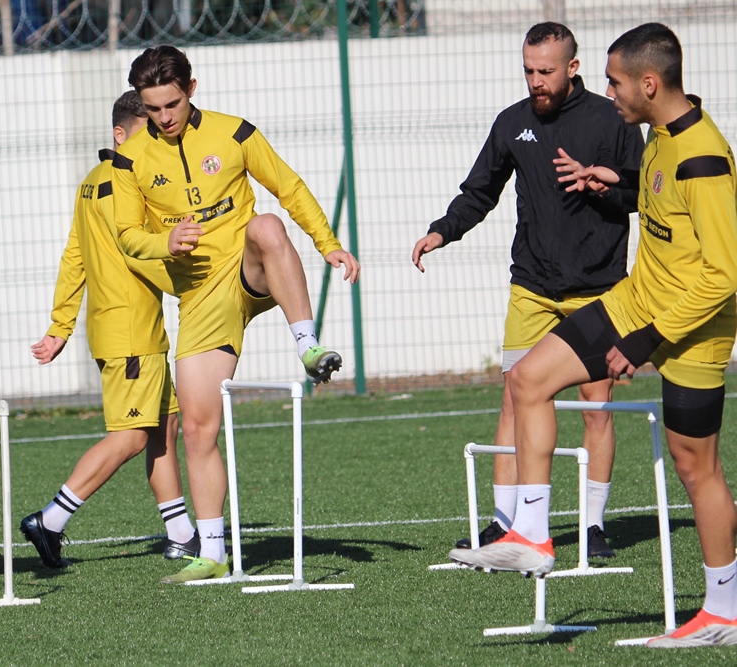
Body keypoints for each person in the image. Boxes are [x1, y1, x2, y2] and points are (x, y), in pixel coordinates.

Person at [449, 22, 737, 648]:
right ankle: (530, 534)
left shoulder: (704, 155)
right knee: (527, 379)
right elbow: (657, 205)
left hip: (693, 329)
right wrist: (618, 186)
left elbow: (724, 274)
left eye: (614, 81)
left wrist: (649, 338)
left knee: (697, 467)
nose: (606, 93)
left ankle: (723, 612)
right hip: (634, 300)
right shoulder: (655, 135)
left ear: (649, 83)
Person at [112, 45, 361, 583]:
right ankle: (214, 551)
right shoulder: (131, 158)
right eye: (153, 109)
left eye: (172, 104)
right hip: (201, 297)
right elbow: (127, 237)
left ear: (192, 90)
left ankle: (307, 344)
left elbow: (288, 186)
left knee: (267, 225)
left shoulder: (235, 133)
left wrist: (328, 244)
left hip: (252, 268)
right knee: (199, 429)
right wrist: (165, 241)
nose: (164, 117)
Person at [412, 22, 643, 558]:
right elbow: (480, 191)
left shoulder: (613, 119)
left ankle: (592, 527)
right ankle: (504, 523)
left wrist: (599, 183)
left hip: (597, 290)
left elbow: (638, 193)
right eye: (528, 70)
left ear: (572, 68)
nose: (536, 81)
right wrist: (443, 229)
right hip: (532, 289)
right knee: (516, 395)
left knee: (596, 404)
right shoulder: (513, 123)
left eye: (545, 71)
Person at [20, 91, 197, 568]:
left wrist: (61, 325)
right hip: (130, 329)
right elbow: (144, 252)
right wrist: (199, 284)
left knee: (165, 427)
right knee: (133, 435)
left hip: (131, 327)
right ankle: (51, 520)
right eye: (146, 135)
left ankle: (181, 532)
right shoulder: (124, 183)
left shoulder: (91, 182)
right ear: (119, 135)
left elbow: (74, 257)